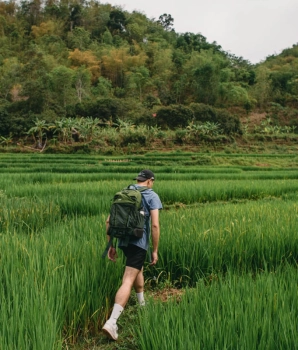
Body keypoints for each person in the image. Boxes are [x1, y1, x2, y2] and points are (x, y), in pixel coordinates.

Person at [102, 169, 163, 341]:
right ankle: (112, 322)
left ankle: (142, 305)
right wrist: (155, 250)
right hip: (139, 243)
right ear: (150, 181)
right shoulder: (152, 195)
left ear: (138, 180)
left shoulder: (124, 192)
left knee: (137, 270)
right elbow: (155, 226)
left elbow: (108, 221)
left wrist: (111, 245)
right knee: (128, 278)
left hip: (123, 241)